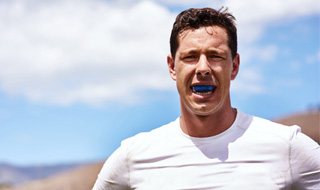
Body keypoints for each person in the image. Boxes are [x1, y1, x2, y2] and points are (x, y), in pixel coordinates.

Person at [92, 7, 320, 190]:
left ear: (235, 66)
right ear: (172, 67)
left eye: (215, 56)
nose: (203, 68)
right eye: (190, 56)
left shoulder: (287, 146)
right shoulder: (133, 156)